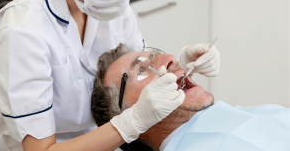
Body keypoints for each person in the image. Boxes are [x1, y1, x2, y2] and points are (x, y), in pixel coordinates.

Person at [0, 0, 220, 150]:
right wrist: (132, 123)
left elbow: (132, 79)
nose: (121, 0)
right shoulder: (22, 31)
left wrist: (178, 65)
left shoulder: (111, 4)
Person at [91, 43, 290, 151]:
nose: (170, 59)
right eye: (143, 70)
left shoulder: (263, 113)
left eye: (157, 53)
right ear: (130, 116)